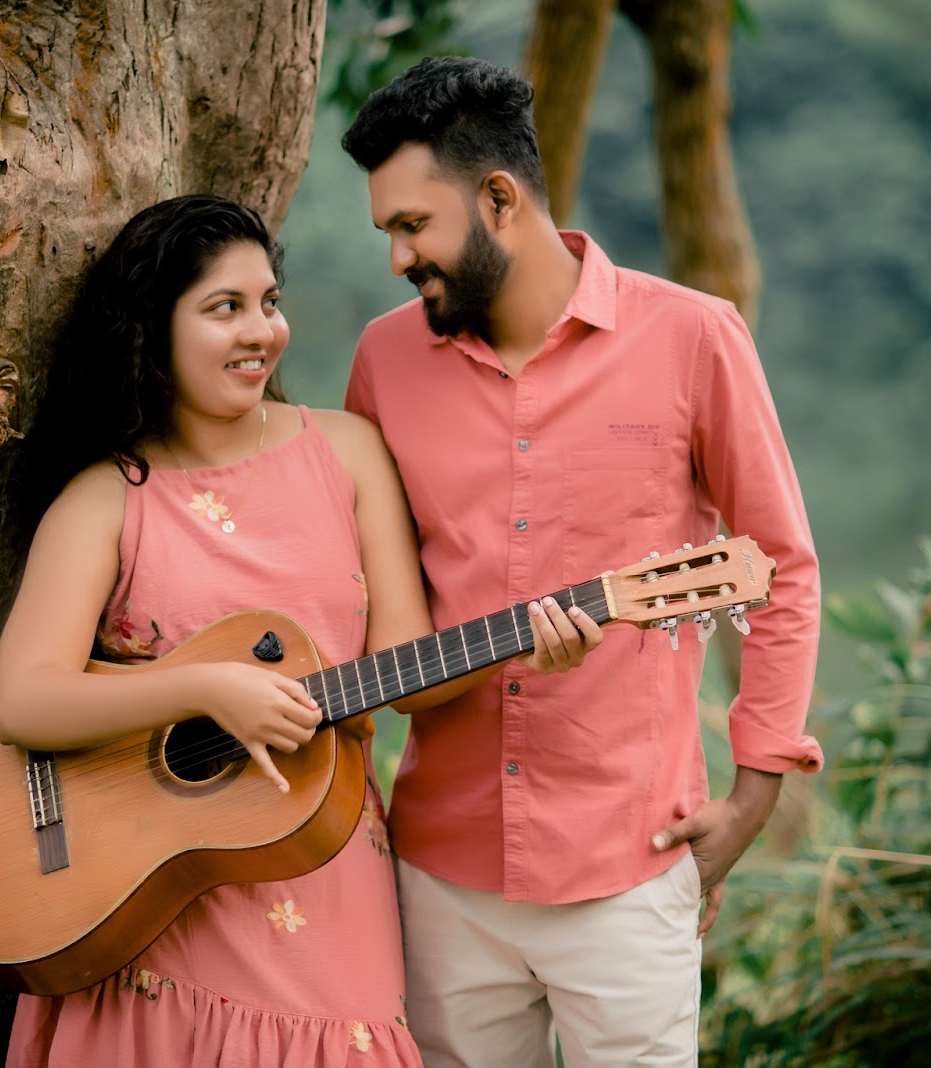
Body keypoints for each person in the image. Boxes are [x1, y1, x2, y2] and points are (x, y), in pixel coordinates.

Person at [0, 193, 598, 1066]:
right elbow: (22, 700)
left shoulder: (348, 452)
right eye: (224, 308)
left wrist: (528, 646)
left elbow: (402, 669)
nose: (261, 332)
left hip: (325, 865)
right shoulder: (106, 500)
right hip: (152, 897)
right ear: (150, 330)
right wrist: (207, 689)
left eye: (268, 302)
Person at [340, 57, 825, 1067]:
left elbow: (781, 569)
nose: (396, 258)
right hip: (440, 871)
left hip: (628, 863)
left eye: (412, 225)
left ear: (499, 200)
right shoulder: (383, 361)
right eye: (387, 230)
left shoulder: (693, 336)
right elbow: (359, 592)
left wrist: (756, 789)